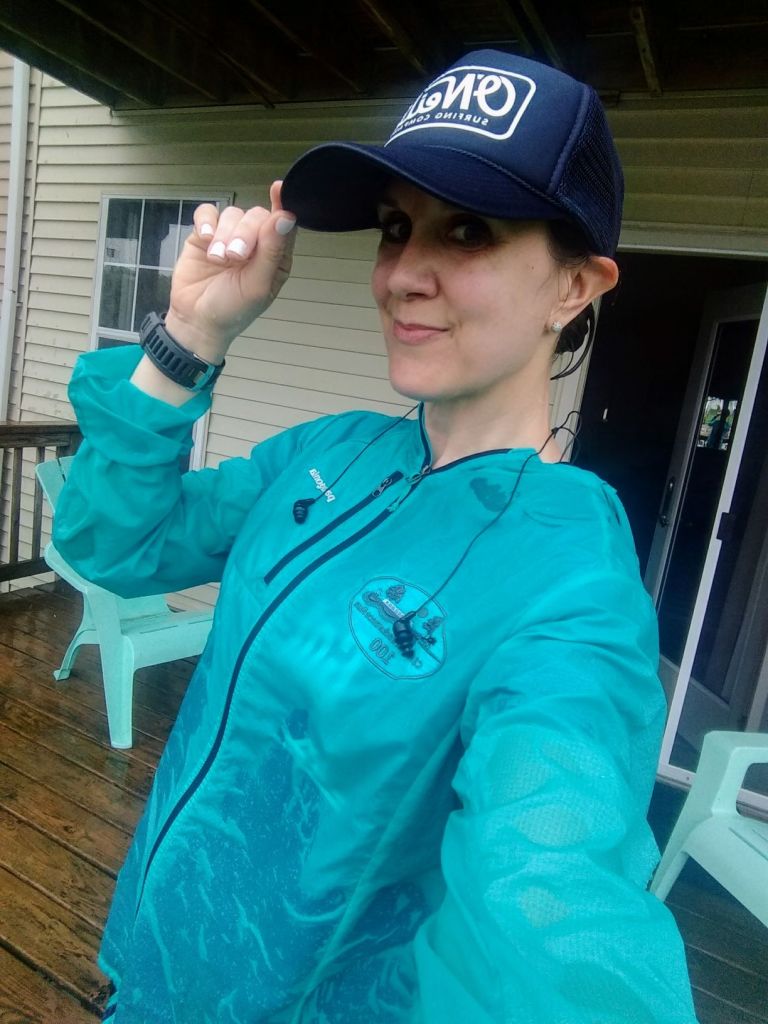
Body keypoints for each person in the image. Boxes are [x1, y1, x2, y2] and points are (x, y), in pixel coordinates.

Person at [54, 50, 699, 1024]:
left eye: (468, 230)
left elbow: (549, 902)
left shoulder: (571, 584)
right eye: (397, 228)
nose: (401, 275)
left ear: (574, 287)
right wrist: (190, 335)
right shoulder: (332, 451)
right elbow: (114, 542)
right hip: (157, 964)